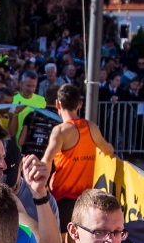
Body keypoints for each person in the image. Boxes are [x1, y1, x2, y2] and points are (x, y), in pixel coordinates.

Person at [41, 84, 116, 231]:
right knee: (77, 236)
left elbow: (46, 161)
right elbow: (109, 150)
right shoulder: (91, 127)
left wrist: (42, 186)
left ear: (57, 104)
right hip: (84, 197)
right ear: (80, 104)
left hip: (61, 196)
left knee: (61, 237)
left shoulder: (60, 131)